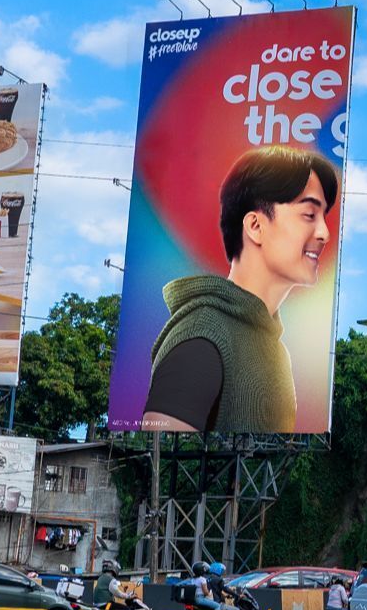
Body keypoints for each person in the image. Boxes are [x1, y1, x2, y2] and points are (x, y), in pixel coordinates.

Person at [140, 146, 341, 439]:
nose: (324, 233)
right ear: (256, 226)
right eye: (309, 214)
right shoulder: (203, 336)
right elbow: (161, 459)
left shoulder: (276, 351)